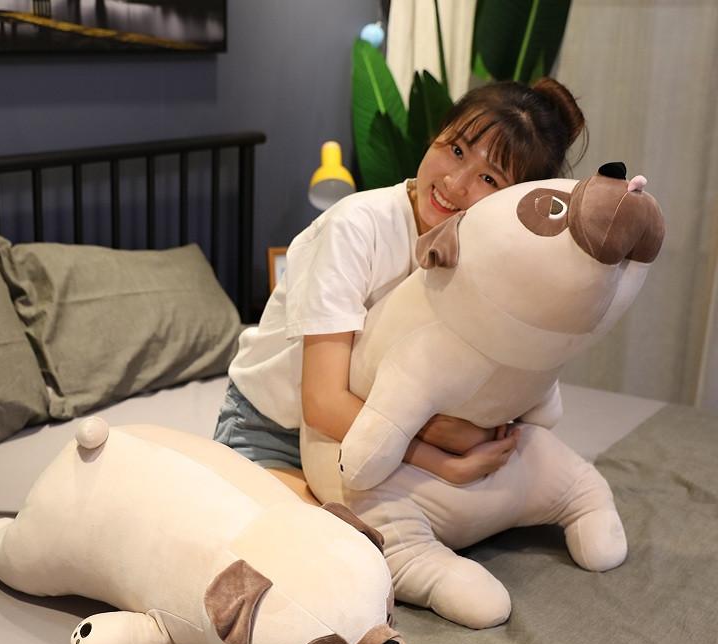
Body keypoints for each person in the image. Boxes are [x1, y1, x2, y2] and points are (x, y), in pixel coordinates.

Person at [214, 78, 587, 503]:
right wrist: (438, 453)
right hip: (275, 433)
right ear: (437, 135)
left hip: (381, 435)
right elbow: (322, 402)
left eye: (488, 177)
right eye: (457, 150)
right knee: (329, 539)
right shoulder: (356, 227)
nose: (456, 183)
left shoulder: (486, 261)